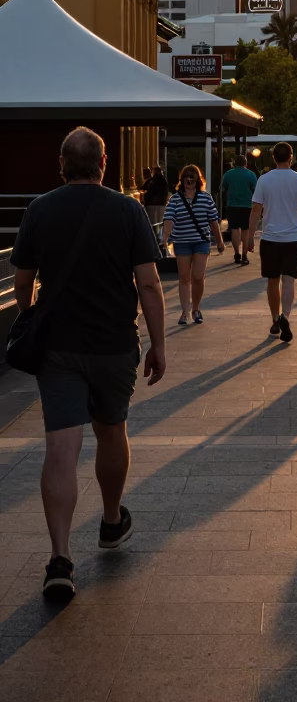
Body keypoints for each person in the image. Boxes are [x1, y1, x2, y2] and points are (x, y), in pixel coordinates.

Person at [10, 127, 166, 602]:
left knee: (61, 446)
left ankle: (60, 558)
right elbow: (149, 284)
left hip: (58, 346)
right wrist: (159, 344)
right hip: (115, 344)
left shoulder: (39, 209)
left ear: (62, 163)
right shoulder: (128, 210)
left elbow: (22, 281)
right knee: (111, 431)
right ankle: (112, 520)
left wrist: (30, 314)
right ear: (102, 164)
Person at [248, 141, 297, 343]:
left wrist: (250, 235)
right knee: (288, 280)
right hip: (293, 238)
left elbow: (256, 210)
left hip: (270, 238)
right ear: (291, 157)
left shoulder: (264, 180)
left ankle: (275, 319)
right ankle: (286, 315)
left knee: (272, 280)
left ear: (273, 158)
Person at [162, 165, 224, 326]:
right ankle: (185, 311)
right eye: (186, 177)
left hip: (201, 241)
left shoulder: (206, 198)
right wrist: (166, 237)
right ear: (181, 180)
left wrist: (220, 241)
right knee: (184, 278)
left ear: (198, 180)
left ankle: (196, 308)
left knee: (198, 276)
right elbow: (169, 219)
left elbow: (213, 220)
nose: (189, 180)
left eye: (192, 177)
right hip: (182, 242)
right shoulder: (175, 199)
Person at [221, 154, 257, 266]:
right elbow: (256, 190)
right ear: (245, 163)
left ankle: (237, 254)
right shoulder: (251, 175)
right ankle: (245, 255)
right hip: (247, 205)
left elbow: (222, 188)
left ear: (234, 163)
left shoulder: (228, 174)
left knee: (234, 229)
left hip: (232, 205)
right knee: (245, 230)